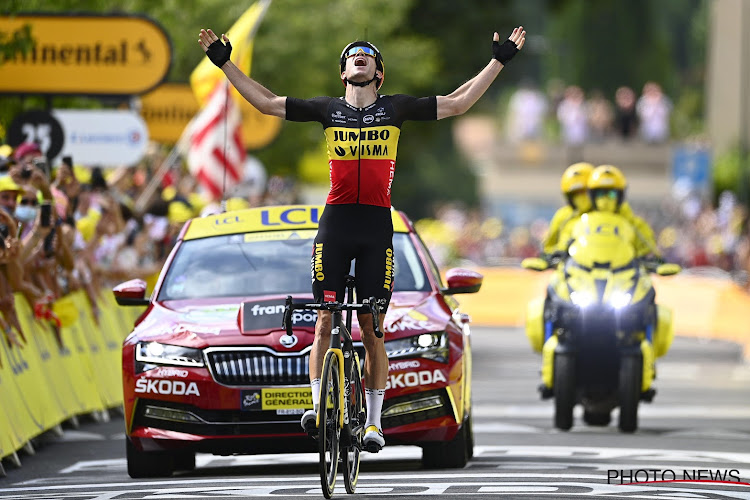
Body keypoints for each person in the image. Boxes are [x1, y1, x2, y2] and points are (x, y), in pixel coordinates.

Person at [198, 25, 526, 451]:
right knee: (324, 322)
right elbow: (265, 102)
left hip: (375, 227)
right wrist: (225, 63)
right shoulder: (325, 109)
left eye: (367, 54)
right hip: (335, 225)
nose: (359, 56)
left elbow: (459, 102)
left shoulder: (397, 109)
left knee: (373, 329)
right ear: (343, 73)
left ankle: (373, 422)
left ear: (378, 73)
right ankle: (317, 407)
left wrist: (498, 60)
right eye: (352, 54)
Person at [558, 165, 660, 259]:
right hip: (583, 273)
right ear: (592, 196)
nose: (605, 199)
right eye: (600, 194)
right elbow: (560, 247)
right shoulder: (576, 223)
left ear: (620, 196)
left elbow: (650, 252)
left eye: (612, 194)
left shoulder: (634, 224)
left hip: (624, 274)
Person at [542, 162, 594, 254]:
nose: (581, 197)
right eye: (576, 193)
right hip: (568, 266)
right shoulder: (562, 216)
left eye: (585, 192)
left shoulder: (608, 214)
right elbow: (548, 248)